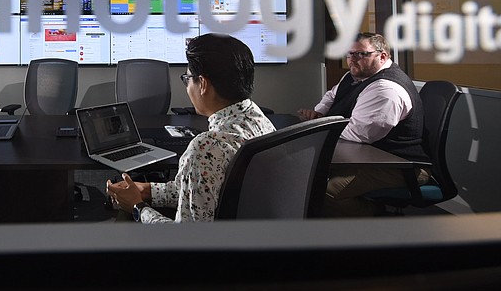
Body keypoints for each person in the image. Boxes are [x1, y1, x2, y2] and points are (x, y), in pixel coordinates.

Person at [106, 33, 275, 223]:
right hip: (252, 238)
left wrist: (138, 208)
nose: (187, 86)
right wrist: (147, 191)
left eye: (187, 78)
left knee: (122, 219)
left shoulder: (206, 148)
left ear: (202, 84)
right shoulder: (260, 120)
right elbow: (201, 187)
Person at [297, 32, 430, 217]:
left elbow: (359, 133)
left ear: (382, 56)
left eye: (361, 54)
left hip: (400, 166)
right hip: (371, 157)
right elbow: (332, 96)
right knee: (309, 174)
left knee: (325, 191)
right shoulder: (356, 75)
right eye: (350, 54)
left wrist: (320, 124)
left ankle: (376, 220)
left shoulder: (386, 89)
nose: (352, 59)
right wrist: (319, 112)